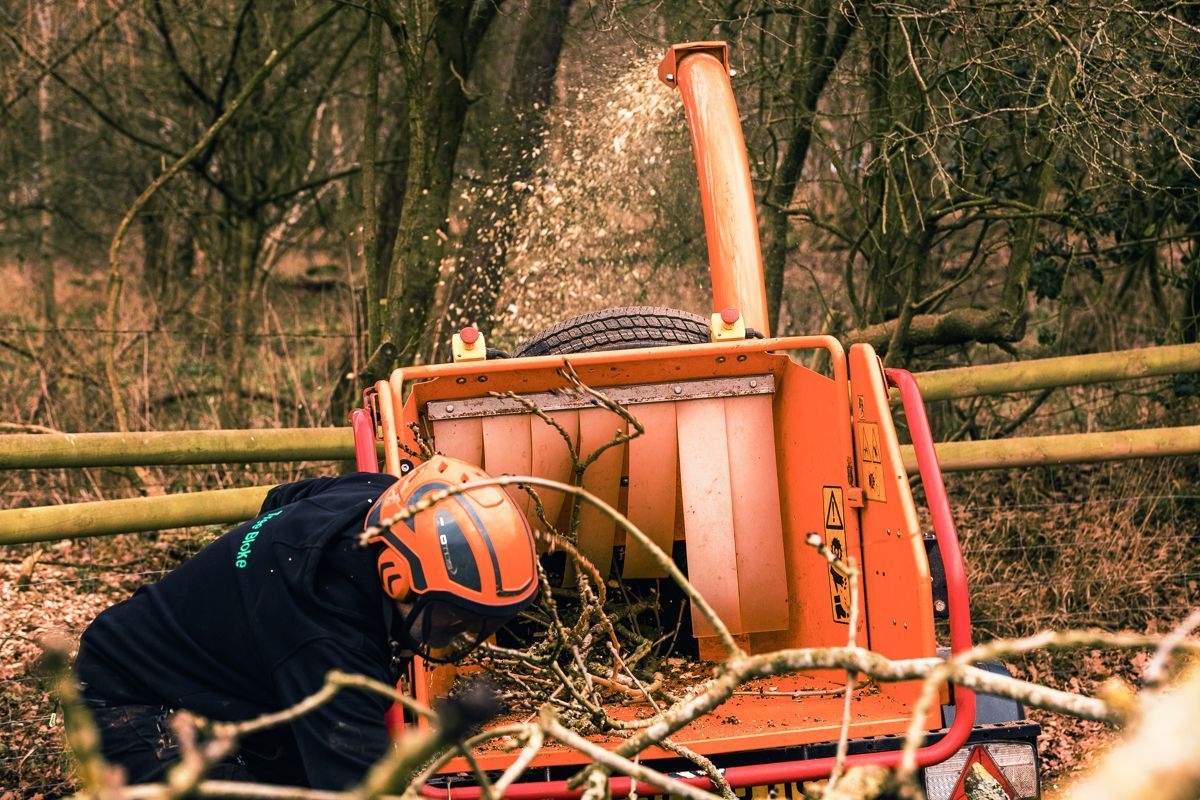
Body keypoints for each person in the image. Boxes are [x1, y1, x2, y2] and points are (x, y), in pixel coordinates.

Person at [73, 455, 538, 790]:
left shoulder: (376, 498)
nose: (460, 634)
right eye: (451, 618)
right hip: (126, 704)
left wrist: (253, 605)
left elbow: (283, 497)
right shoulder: (328, 647)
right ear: (396, 578)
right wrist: (272, 609)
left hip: (211, 680)